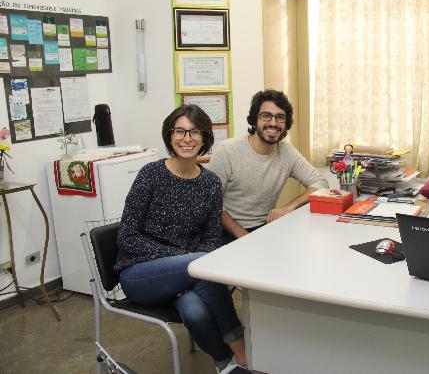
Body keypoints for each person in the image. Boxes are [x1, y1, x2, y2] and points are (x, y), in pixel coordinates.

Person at [114, 104, 249, 372]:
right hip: (140, 274)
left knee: (195, 311)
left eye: (194, 132)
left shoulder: (210, 183)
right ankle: (244, 356)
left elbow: (212, 238)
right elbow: (127, 236)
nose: (187, 139)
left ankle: (227, 365)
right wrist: (182, 259)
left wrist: (187, 265)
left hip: (187, 274)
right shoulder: (151, 175)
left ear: (205, 138)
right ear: (169, 136)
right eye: (180, 131)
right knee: (200, 265)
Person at [209, 89, 329, 243]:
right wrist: (243, 236)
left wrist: (288, 207)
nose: (273, 123)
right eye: (266, 116)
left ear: (286, 124)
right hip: (225, 232)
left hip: (265, 228)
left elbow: (320, 183)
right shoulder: (227, 150)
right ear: (254, 119)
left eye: (280, 117)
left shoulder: (287, 152)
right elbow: (211, 202)